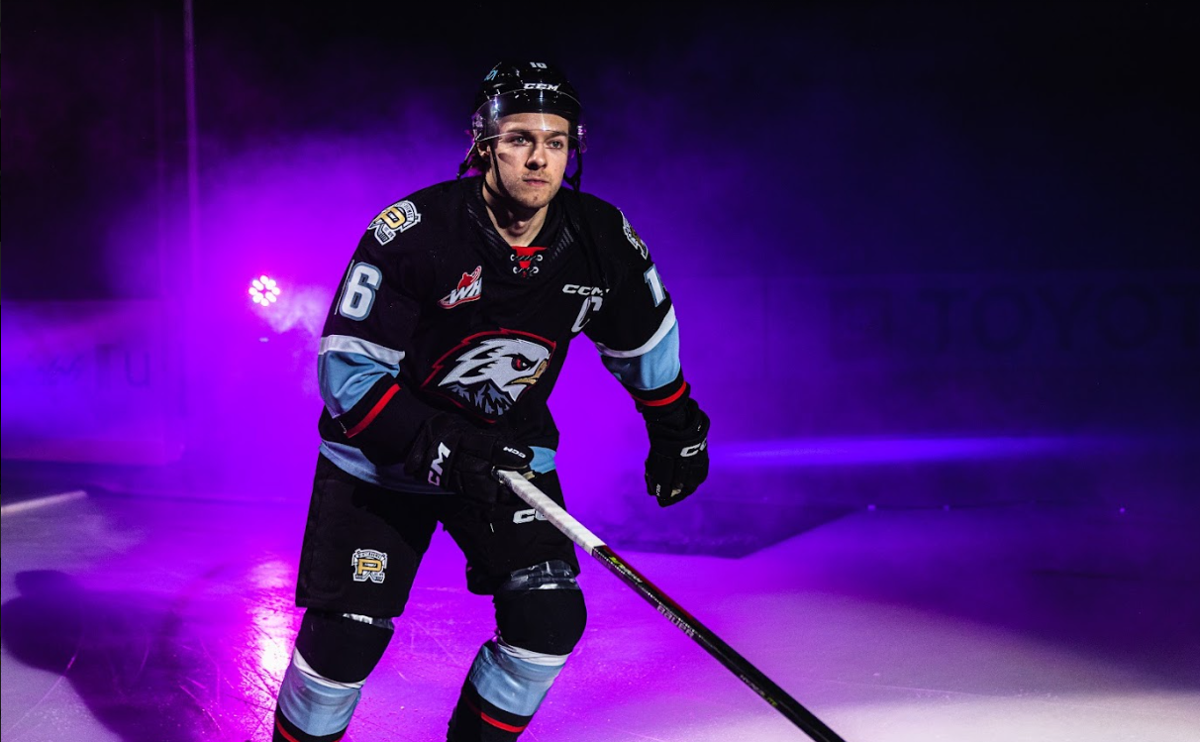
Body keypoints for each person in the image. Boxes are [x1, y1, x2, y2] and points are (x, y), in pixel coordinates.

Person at [270, 59, 711, 742]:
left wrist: (674, 423)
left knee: (548, 623)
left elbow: (643, 336)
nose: (538, 158)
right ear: (483, 146)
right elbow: (347, 369)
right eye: (519, 139)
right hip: (381, 462)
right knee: (345, 640)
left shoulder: (600, 239)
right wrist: (434, 446)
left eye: (556, 142)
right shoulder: (414, 231)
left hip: (507, 457)